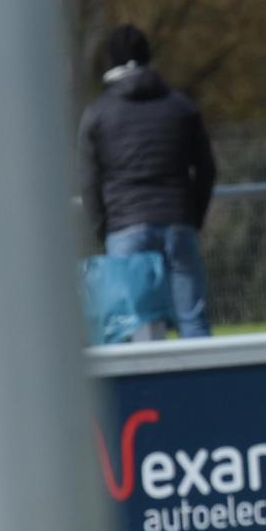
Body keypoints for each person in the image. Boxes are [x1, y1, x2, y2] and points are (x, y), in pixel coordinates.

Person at [77, 23, 218, 338]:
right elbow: (206, 168)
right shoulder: (182, 107)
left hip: (125, 224)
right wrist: (193, 216)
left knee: (136, 323)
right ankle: (204, 385)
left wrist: (103, 226)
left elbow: (88, 180)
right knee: (192, 317)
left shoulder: (97, 114)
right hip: (178, 219)